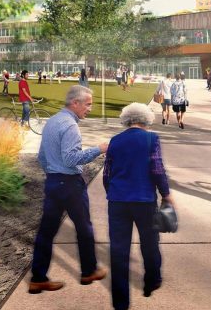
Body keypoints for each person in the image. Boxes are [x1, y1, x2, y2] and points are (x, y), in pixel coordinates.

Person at [29, 85, 108, 294]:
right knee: (84, 228)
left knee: (46, 232)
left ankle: (37, 279)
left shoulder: (52, 122)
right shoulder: (71, 126)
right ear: (75, 103)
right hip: (70, 185)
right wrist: (98, 149)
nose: (89, 108)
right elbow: (71, 158)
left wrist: (53, 174)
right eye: (88, 104)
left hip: (53, 183)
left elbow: (41, 157)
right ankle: (88, 271)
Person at [103, 103, 172, 310]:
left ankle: (121, 303)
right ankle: (151, 281)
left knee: (118, 251)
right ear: (146, 119)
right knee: (149, 244)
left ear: (127, 119)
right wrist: (166, 194)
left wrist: (114, 193)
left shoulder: (114, 141)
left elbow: (107, 175)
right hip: (144, 200)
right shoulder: (152, 139)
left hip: (117, 202)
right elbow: (157, 170)